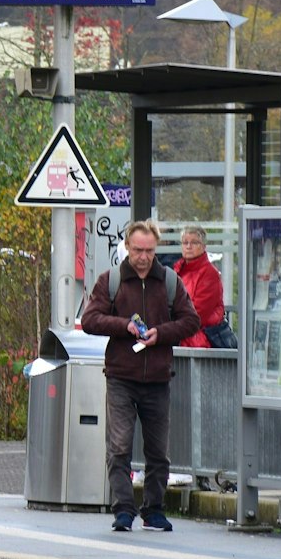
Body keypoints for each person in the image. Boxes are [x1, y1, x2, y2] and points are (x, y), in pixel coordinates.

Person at [81, 219, 200, 532]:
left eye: (148, 250)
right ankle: (123, 509)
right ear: (127, 247)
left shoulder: (170, 282)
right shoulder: (112, 280)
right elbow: (90, 320)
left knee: (158, 451)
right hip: (121, 375)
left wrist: (160, 334)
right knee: (119, 447)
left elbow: (191, 321)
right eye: (137, 250)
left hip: (158, 378)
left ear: (155, 248)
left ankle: (154, 509)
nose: (143, 256)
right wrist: (125, 327)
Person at [174, 225, 233, 349]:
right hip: (183, 337)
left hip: (204, 342)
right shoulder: (177, 270)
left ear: (204, 246)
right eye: (185, 242)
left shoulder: (210, 274)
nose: (188, 246)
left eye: (194, 242)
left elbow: (197, 312)